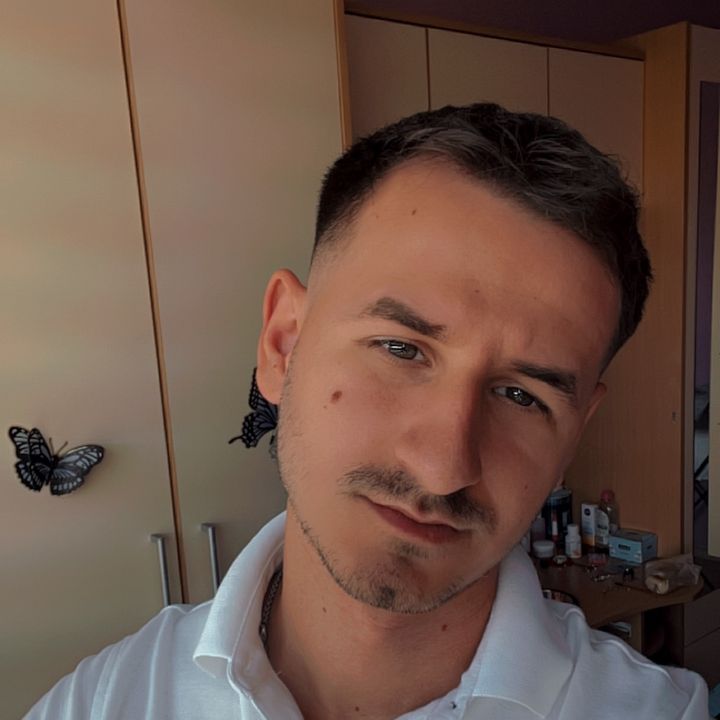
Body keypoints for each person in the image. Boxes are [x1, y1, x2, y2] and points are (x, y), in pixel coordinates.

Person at [26, 103, 711, 719]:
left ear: (575, 433)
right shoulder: (104, 702)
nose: (443, 467)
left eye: (521, 396)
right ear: (283, 344)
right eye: (400, 348)